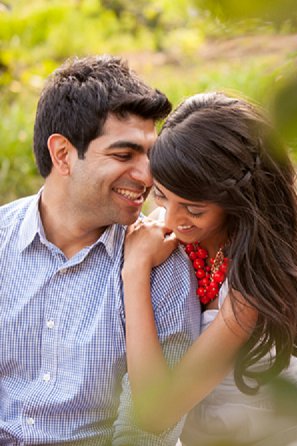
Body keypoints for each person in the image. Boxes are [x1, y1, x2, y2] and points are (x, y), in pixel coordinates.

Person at [123, 92, 297, 445]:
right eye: (162, 196)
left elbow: (154, 413)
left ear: (240, 200)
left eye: (193, 208)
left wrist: (134, 272)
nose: (174, 220)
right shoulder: (163, 232)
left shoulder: (253, 281)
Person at [0, 55, 201, 445]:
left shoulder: (163, 263)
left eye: (150, 156)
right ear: (62, 155)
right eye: (123, 156)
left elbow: (148, 433)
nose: (147, 177)